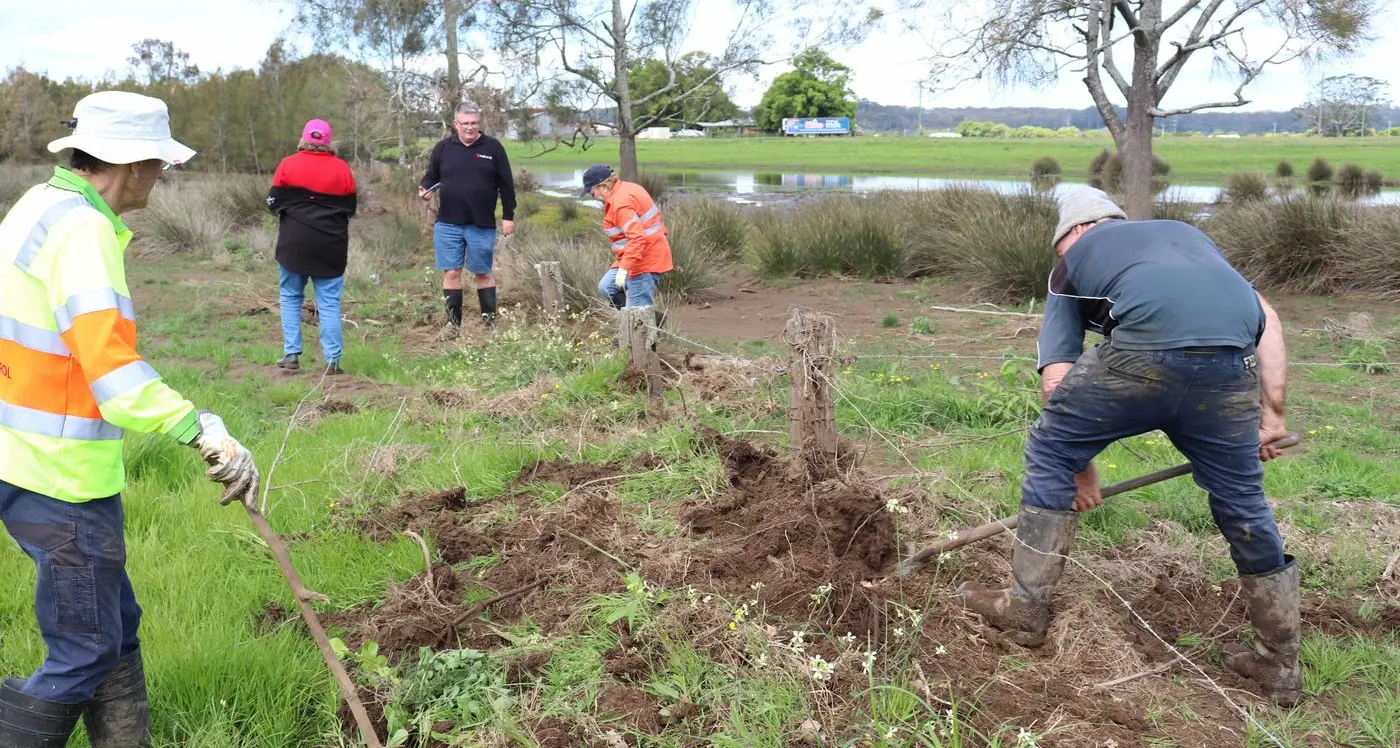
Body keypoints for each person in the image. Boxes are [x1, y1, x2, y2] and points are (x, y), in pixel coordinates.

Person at [956, 187, 1299, 706]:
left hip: (1142, 358)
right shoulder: (1188, 237)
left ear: (1070, 235)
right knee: (1242, 499)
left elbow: (1057, 379)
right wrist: (1270, 417)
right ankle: (1278, 663)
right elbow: (1265, 318)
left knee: (1050, 452)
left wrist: (1079, 468)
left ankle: (1024, 612)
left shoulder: (1073, 261)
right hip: (1230, 368)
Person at [0, 90, 260, 747]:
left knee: (113, 626)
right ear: (133, 164)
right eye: (159, 164)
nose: (163, 176)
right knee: (85, 648)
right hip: (60, 477)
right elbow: (113, 377)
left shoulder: (37, 206)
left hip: (20, 457)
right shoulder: (84, 232)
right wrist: (201, 427)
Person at [267, 118, 358, 375]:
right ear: (329, 142)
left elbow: (273, 203)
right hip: (331, 245)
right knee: (329, 302)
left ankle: (292, 355)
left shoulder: (288, 164)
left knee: (290, 297)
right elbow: (350, 208)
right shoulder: (342, 169)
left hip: (294, 243)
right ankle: (332, 361)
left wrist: (298, 206)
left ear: (303, 139)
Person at [418, 102, 515, 334]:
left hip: (481, 223)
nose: (470, 128)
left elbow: (506, 186)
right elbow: (430, 177)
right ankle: (453, 326)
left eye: (474, 123)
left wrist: (508, 217)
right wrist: (424, 189)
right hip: (448, 223)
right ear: (456, 124)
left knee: (483, 272)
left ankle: (490, 326)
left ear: (479, 124)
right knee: (452, 272)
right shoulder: (443, 148)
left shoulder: (493, 148)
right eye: (465, 123)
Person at [580, 165, 673, 310]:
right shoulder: (628, 188)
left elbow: (637, 238)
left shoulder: (621, 203)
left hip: (643, 262)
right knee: (607, 288)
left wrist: (624, 269)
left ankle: (643, 322)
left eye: (593, 194)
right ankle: (633, 314)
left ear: (603, 186)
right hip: (634, 256)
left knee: (638, 314)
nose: (595, 198)